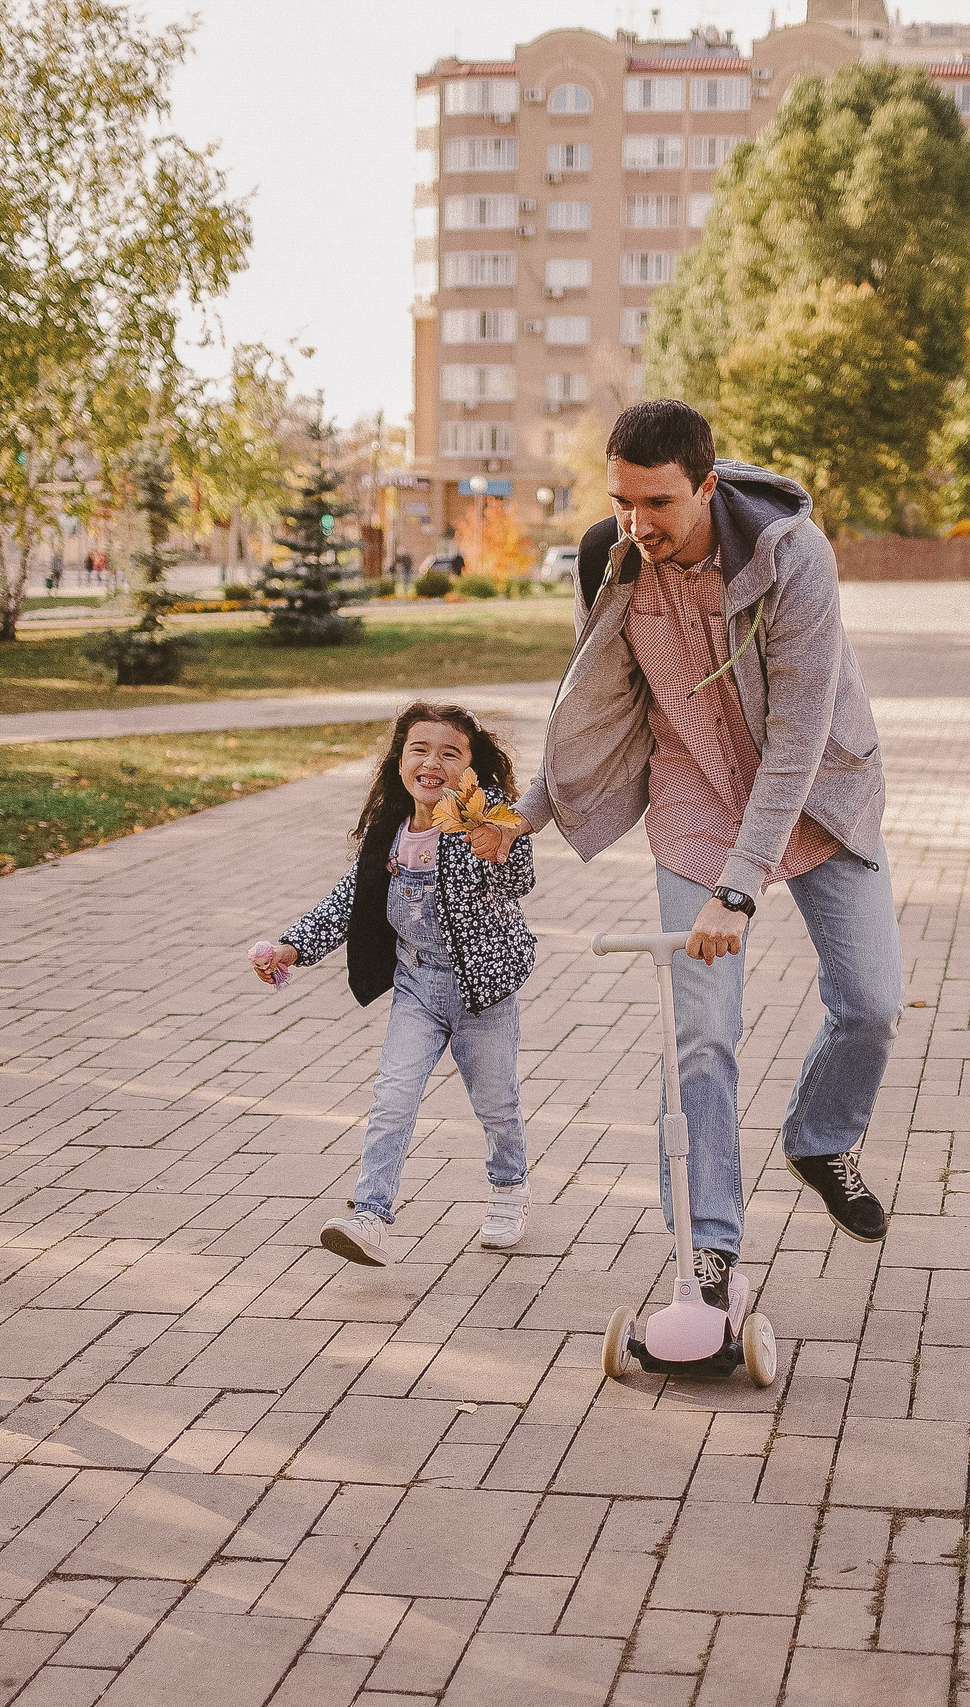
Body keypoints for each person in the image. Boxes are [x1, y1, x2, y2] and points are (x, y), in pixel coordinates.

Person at [472, 399, 900, 1311]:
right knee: (700, 1038)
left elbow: (796, 738)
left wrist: (738, 895)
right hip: (696, 804)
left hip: (817, 791)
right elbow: (595, 703)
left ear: (707, 484)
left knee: (872, 1003)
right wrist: (528, 811)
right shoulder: (613, 559)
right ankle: (707, 1252)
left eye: (658, 503)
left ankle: (823, 1136)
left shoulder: (793, 556)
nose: (637, 524)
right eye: (622, 500)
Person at [250, 704, 538, 1265]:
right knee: (393, 1099)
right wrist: (292, 947)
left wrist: (491, 836)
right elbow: (349, 903)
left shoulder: (488, 818)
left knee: (496, 1102)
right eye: (419, 750)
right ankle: (371, 1215)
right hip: (416, 988)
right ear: (399, 760)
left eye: (451, 754)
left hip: (482, 991)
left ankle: (509, 1189)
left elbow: (519, 879)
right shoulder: (389, 829)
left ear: (474, 766)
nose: (433, 764)